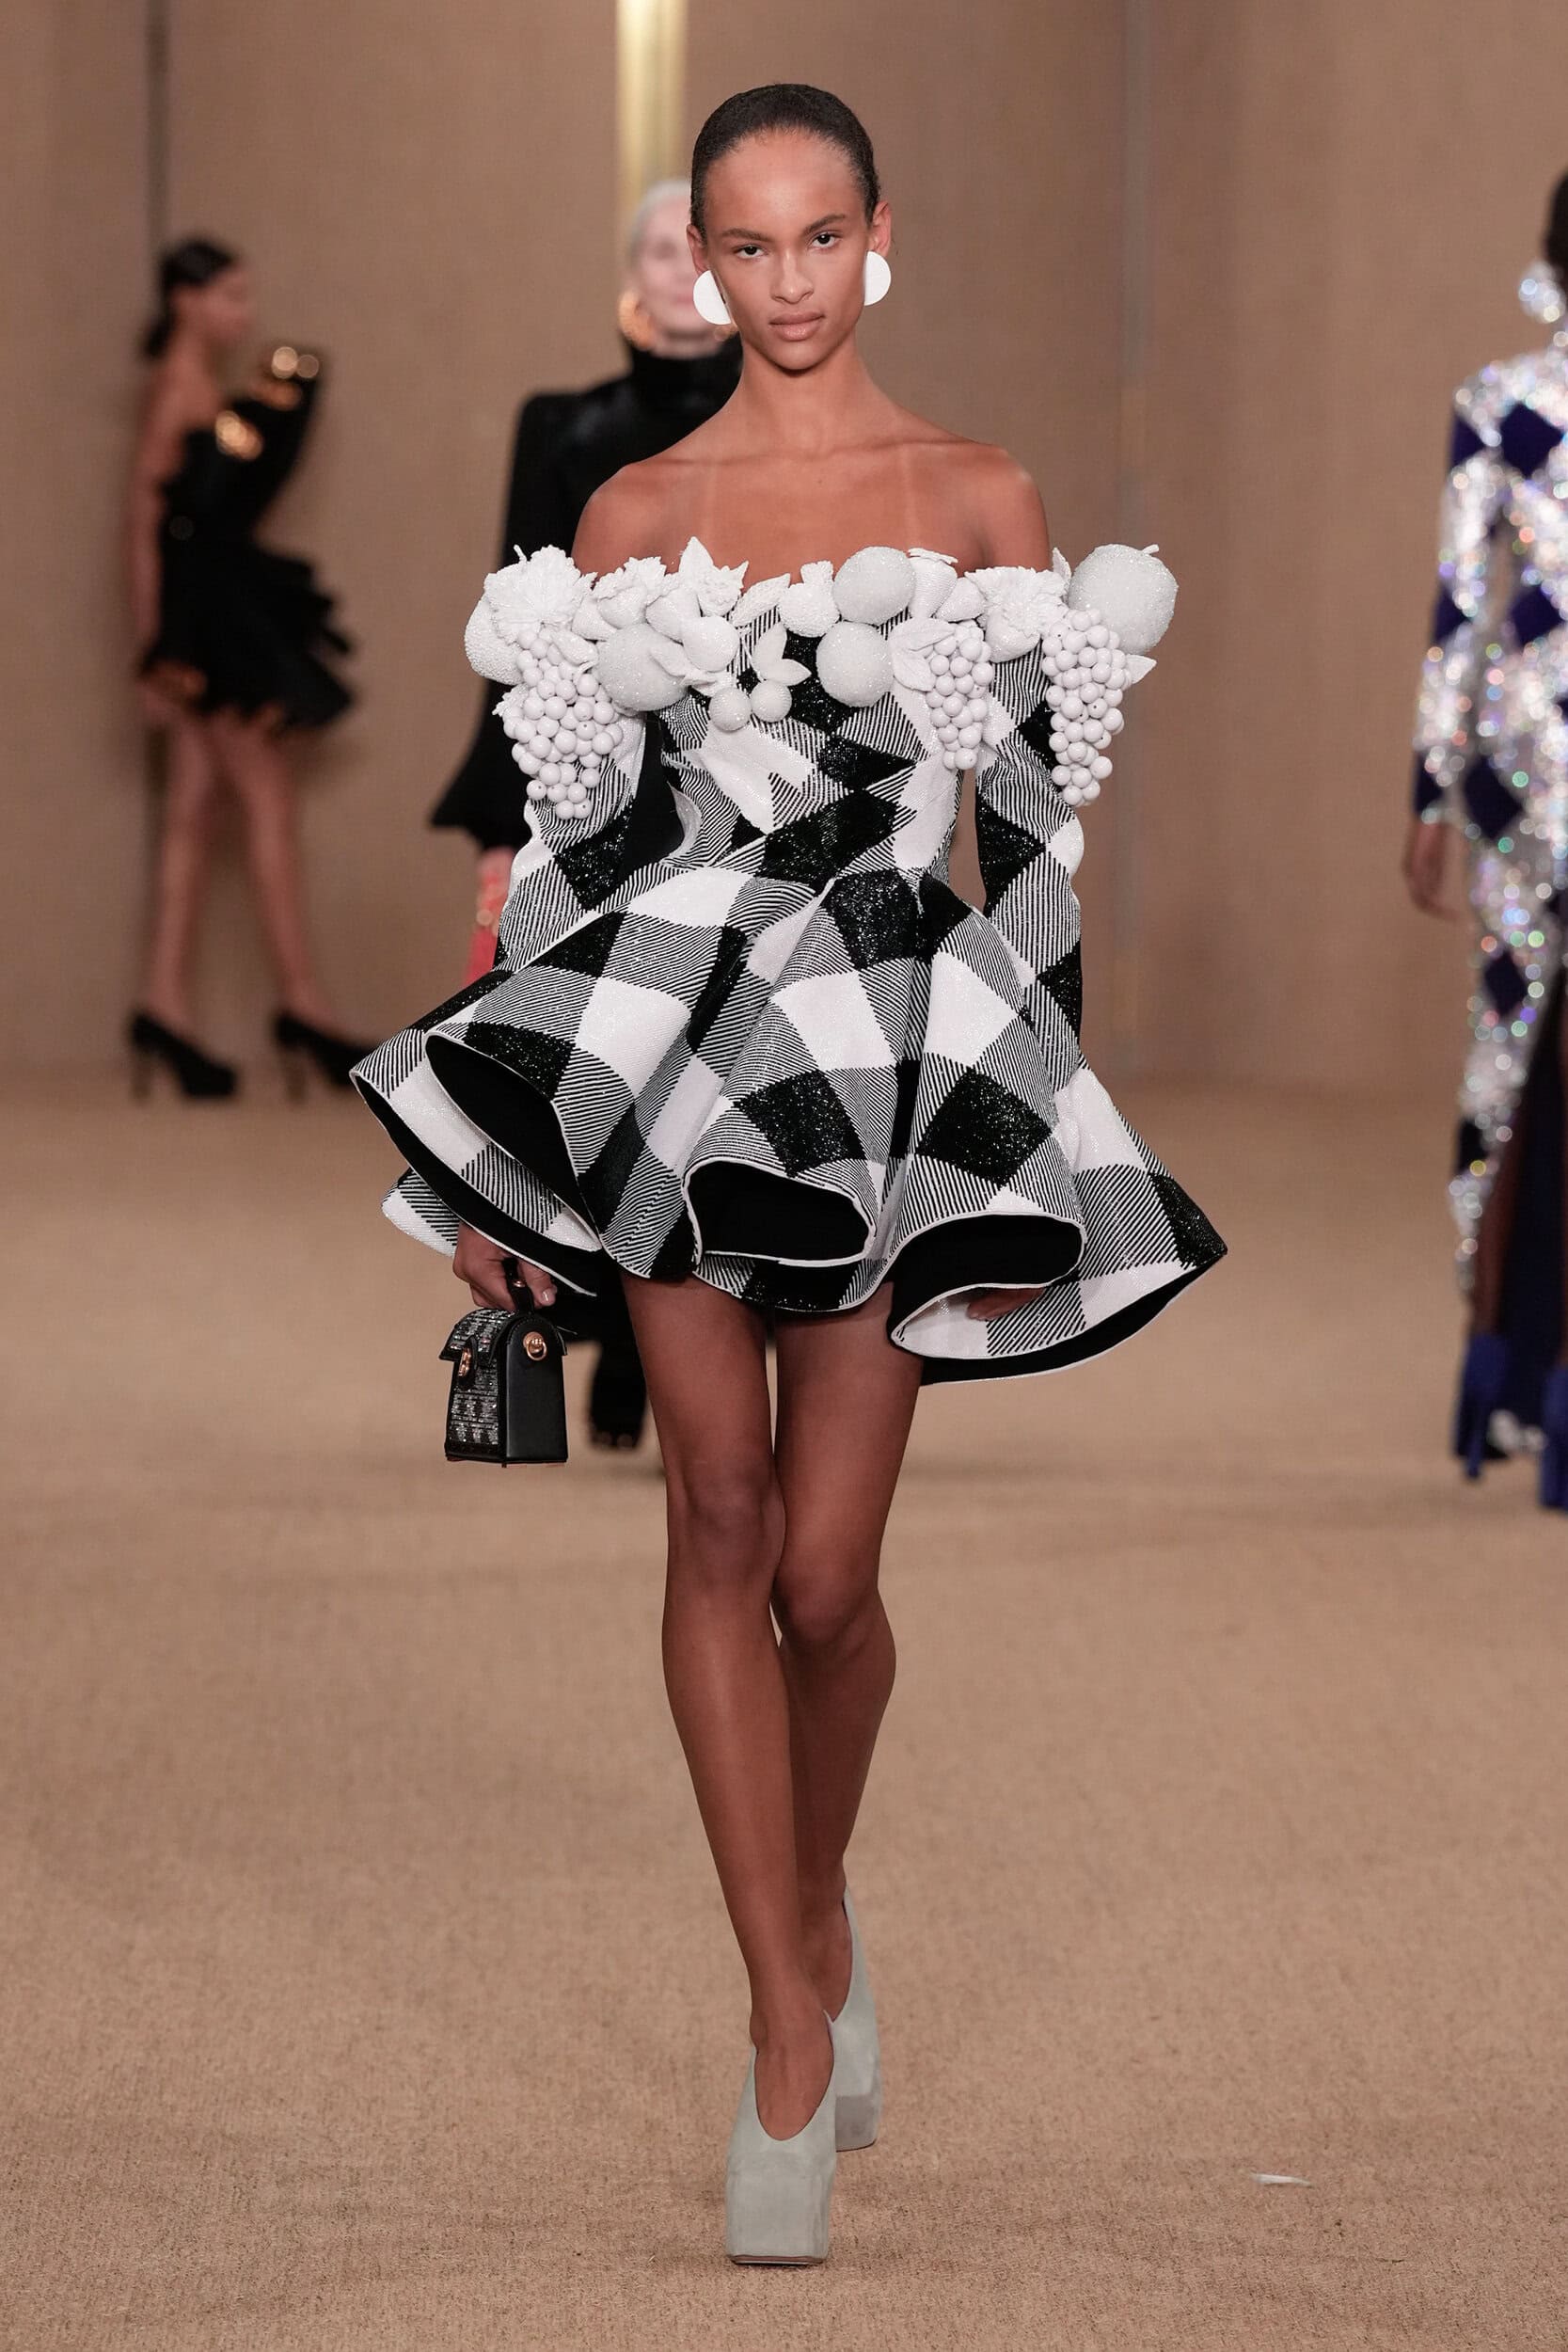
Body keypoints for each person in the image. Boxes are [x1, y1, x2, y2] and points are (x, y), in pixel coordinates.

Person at [355, 86, 1225, 2262]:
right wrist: (508, 1158)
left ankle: (816, 1906)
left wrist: (1038, 1146)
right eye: (745, 246)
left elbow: (1032, 841)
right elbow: (573, 838)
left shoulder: (980, 490)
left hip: (898, 1055)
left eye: (818, 236)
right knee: (716, 1516)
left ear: (876, 233)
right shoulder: (633, 509)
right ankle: (774, 2023)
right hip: (667, 1038)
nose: (786, 282)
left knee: (827, 1581)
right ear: (703, 264)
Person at [431, 183, 739, 1448]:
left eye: (693, 250)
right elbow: (521, 619)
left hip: (723, 774)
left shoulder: (772, 428)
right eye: (657, 249)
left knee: (704, 1056)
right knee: (584, 1052)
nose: (676, 270)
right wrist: (506, 810)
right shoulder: (560, 425)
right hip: (586, 768)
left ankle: (679, 1318)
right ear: (635, 270)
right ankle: (610, 1321)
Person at [1407, 170, 1568, 1512]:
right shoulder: (1496, 398)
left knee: (1508, 1056)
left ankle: (1499, 1366)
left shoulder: (1501, 398)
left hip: (1519, 771)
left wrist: (1429, 791)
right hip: (1525, 777)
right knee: (1514, 1060)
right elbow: (1459, 604)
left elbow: (1461, 611)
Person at [127, 237, 369, 1098]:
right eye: (229, 296)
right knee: (265, 802)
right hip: (210, 626)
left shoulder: (198, 390)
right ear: (185, 301)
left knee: (194, 811)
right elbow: (145, 529)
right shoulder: (177, 391)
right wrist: (157, 650)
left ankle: (163, 1005)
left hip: (213, 613)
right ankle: (302, 1005)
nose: (245, 313)